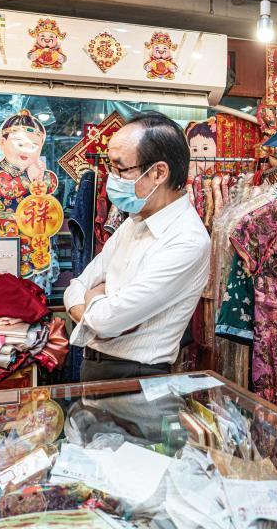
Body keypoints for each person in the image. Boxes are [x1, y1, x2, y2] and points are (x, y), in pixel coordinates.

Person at [64, 111, 211, 382]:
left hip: (137, 378)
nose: (112, 178)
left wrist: (95, 298)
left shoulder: (186, 240)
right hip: (96, 369)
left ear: (158, 173)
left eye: (121, 169)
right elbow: (76, 287)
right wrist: (96, 301)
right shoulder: (132, 224)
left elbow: (106, 321)